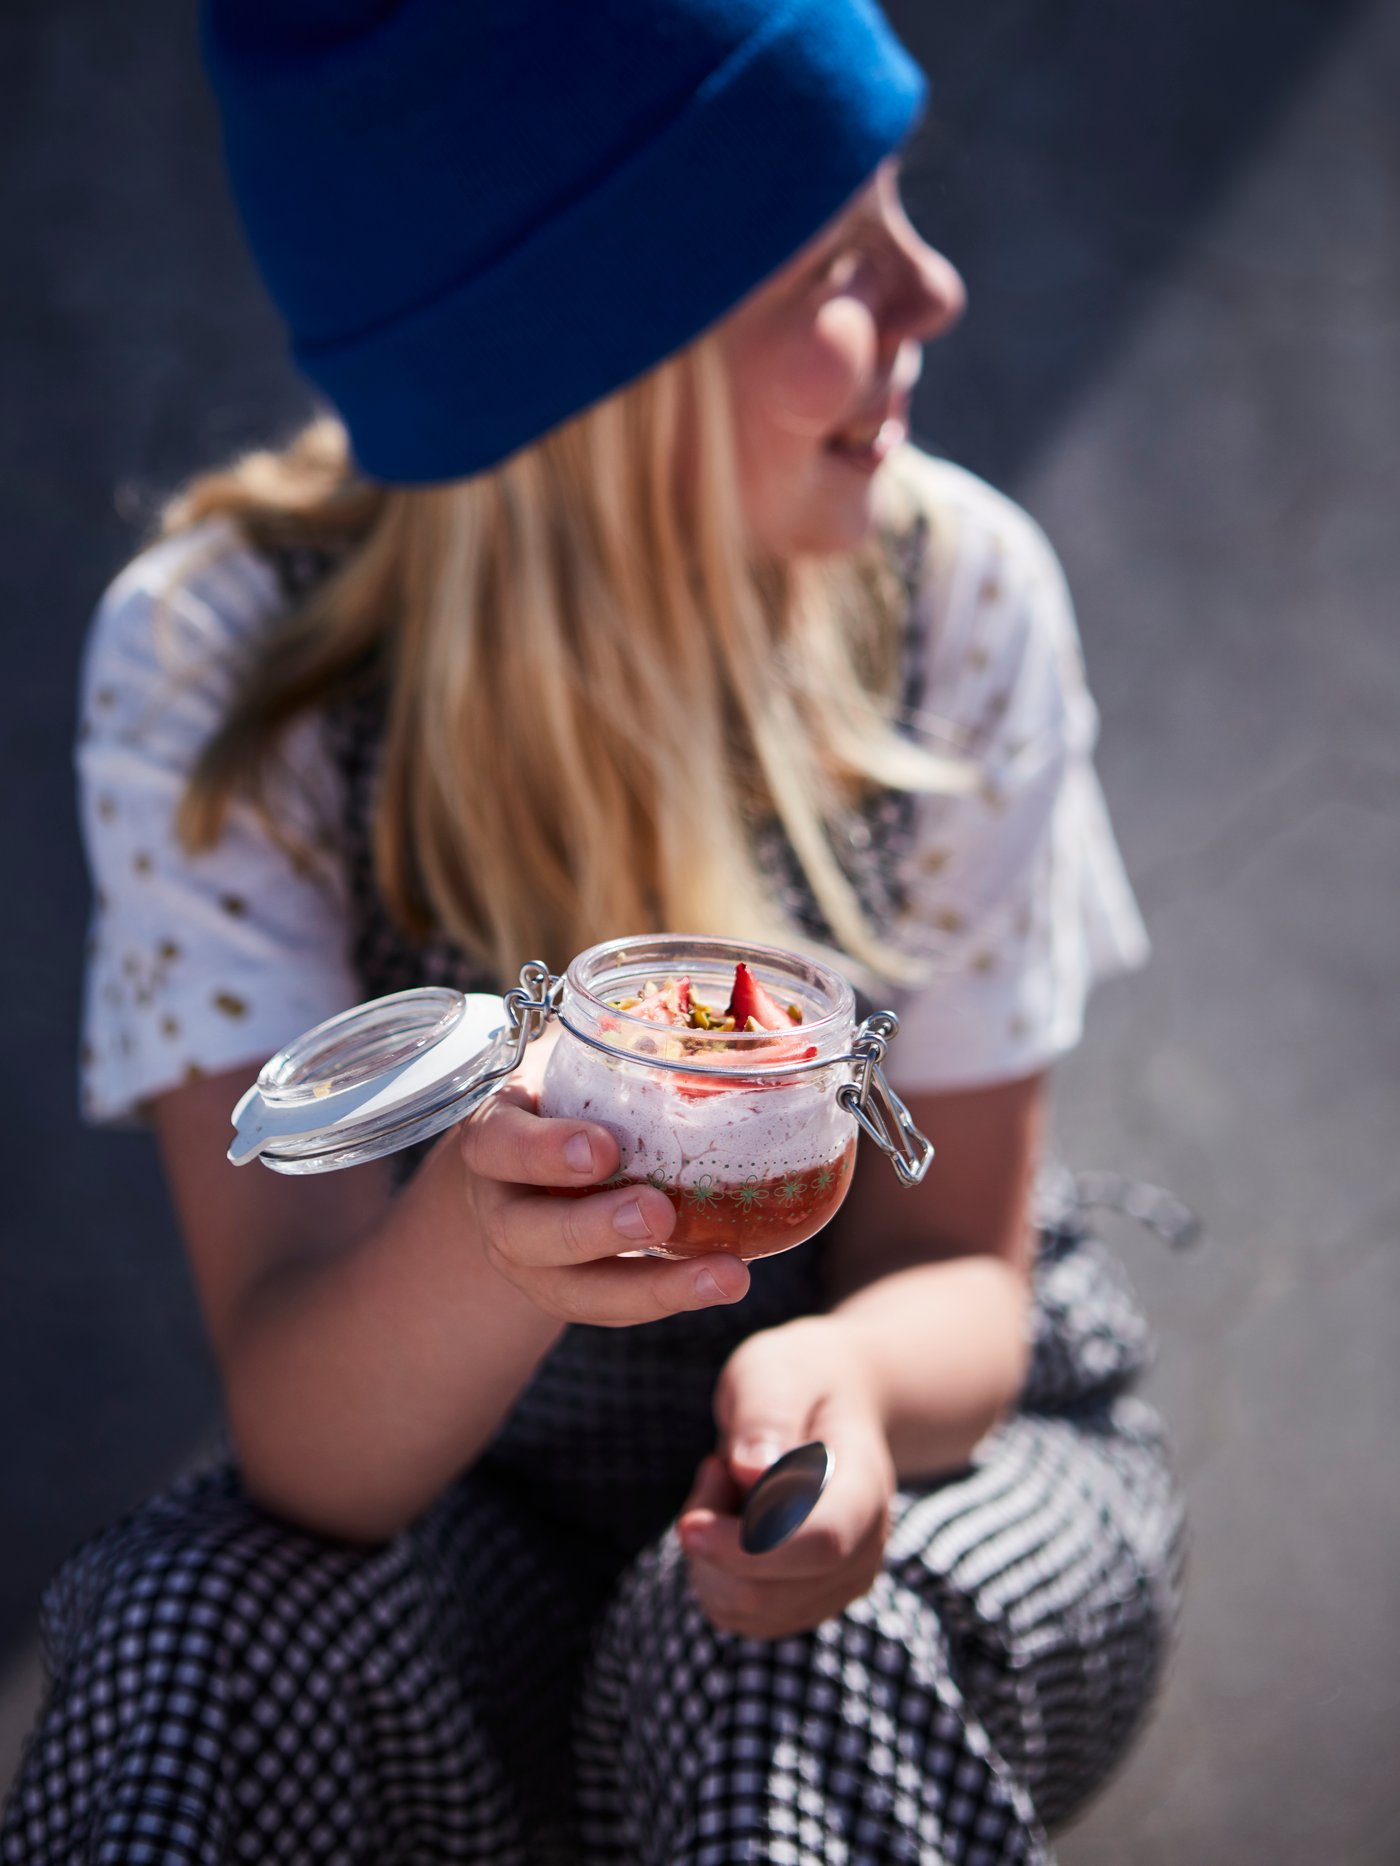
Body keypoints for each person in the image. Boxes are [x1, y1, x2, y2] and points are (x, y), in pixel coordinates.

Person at [3, 2, 1185, 1861]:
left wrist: (847, 1398)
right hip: (467, 1534)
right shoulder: (230, 660)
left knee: (774, 1675)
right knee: (187, 1623)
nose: (938, 290)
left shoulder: (951, 597)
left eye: (905, 208)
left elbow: (966, 1266)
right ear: (591, 355)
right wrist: (487, 1244)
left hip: (930, 1465)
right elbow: (312, 1447)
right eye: (835, 256)